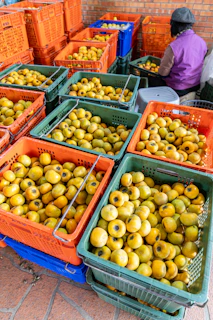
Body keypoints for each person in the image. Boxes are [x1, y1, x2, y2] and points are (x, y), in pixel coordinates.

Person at [158, 7, 207, 101]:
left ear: (174, 25)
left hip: (178, 87)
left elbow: (163, 72)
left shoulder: (174, 46)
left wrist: (161, 74)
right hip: (195, 84)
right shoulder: (202, 42)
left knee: (154, 80)